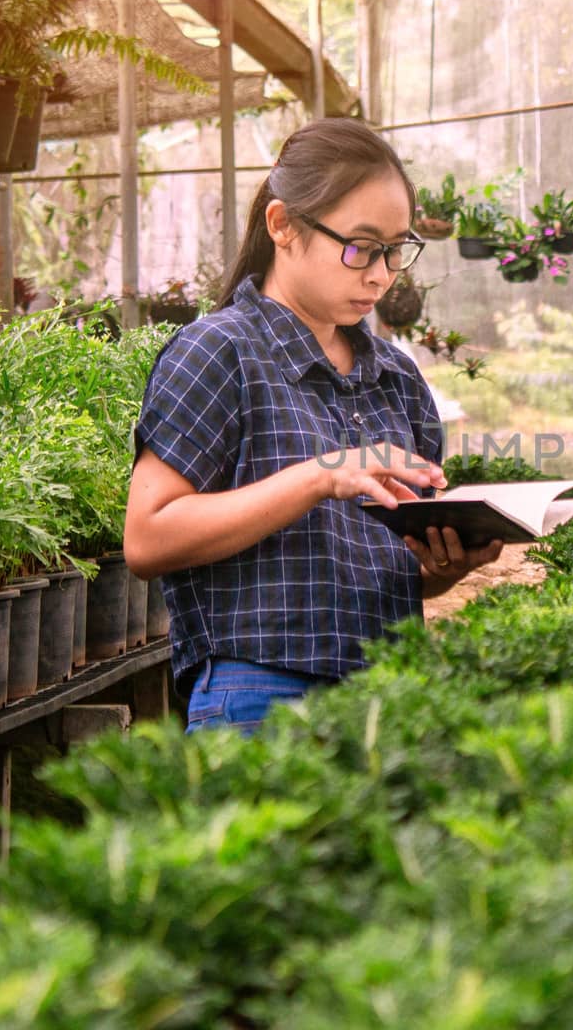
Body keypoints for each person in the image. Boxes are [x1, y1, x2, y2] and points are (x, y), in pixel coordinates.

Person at [123, 119, 503, 733]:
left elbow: (395, 572)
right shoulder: (220, 351)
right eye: (360, 246)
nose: (380, 274)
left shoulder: (396, 378)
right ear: (283, 226)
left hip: (388, 698)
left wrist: (440, 568)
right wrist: (322, 476)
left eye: (395, 250)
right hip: (259, 693)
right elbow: (147, 537)